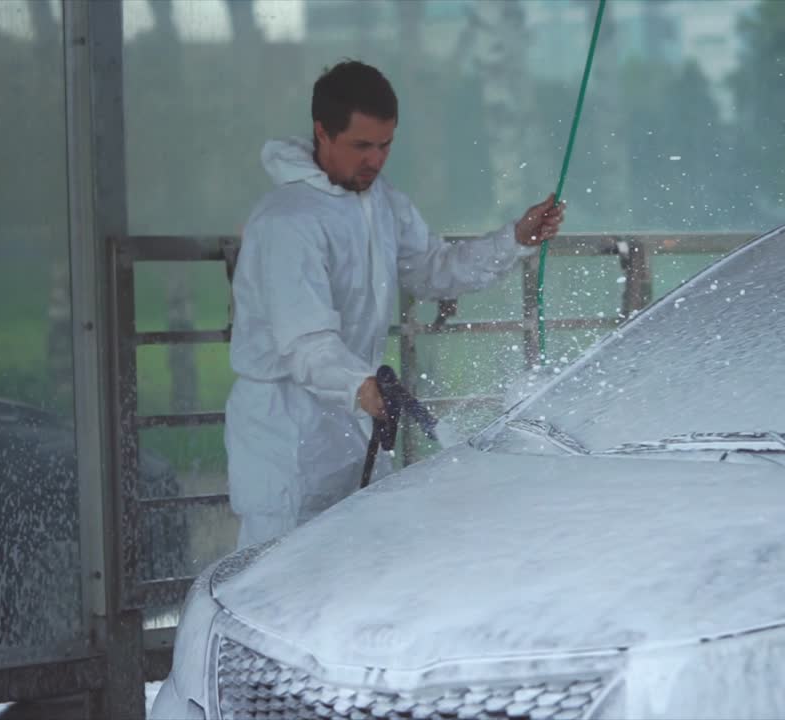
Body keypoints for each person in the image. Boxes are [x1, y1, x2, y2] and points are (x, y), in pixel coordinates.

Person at [226, 61, 563, 548]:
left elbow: (433, 269)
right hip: (283, 430)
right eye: (362, 146)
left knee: (362, 560)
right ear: (323, 132)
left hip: (352, 416)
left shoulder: (381, 203)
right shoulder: (287, 221)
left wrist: (515, 239)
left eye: (385, 145)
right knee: (277, 573)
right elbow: (305, 342)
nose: (376, 160)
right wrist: (360, 385)